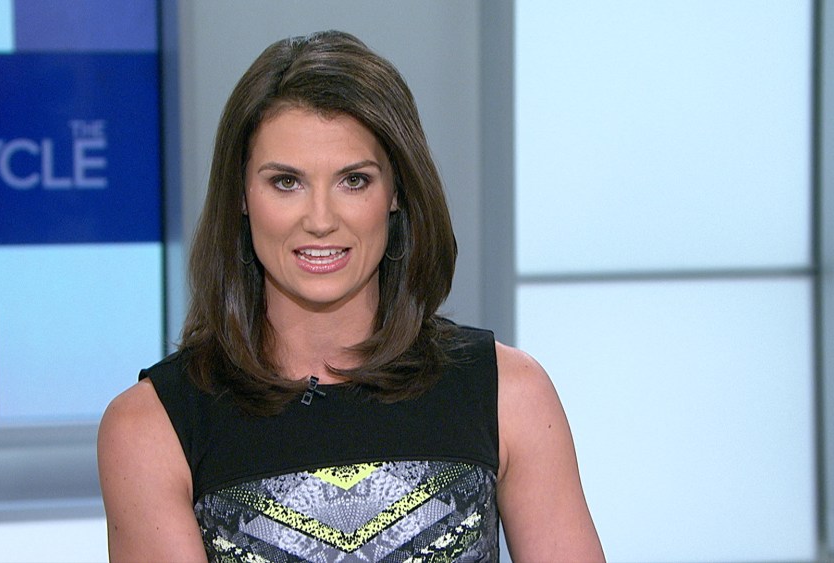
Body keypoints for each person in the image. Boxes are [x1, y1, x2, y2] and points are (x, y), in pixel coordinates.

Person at [98, 30, 604, 562]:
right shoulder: (151, 427)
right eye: (286, 182)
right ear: (241, 196)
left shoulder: (509, 394)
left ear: (396, 193)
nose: (320, 220)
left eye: (354, 181)